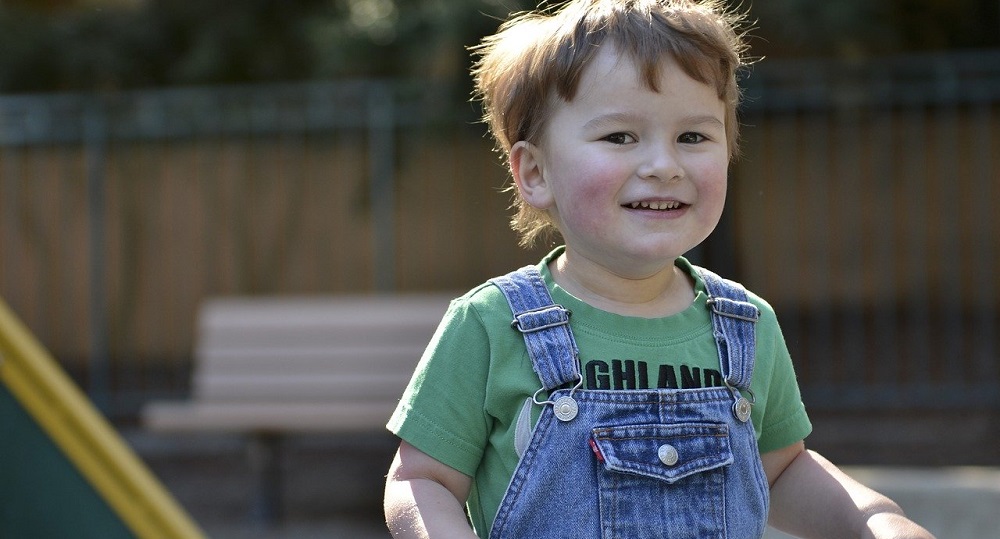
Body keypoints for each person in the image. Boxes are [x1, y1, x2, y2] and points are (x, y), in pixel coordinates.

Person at [383, 0, 935, 537]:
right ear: (535, 172)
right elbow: (420, 479)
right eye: (620, 136)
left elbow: (784, 470)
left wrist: (874, 519)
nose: (663, 166)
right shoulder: (491, 324)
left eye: (692, 137)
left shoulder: (744, 325)